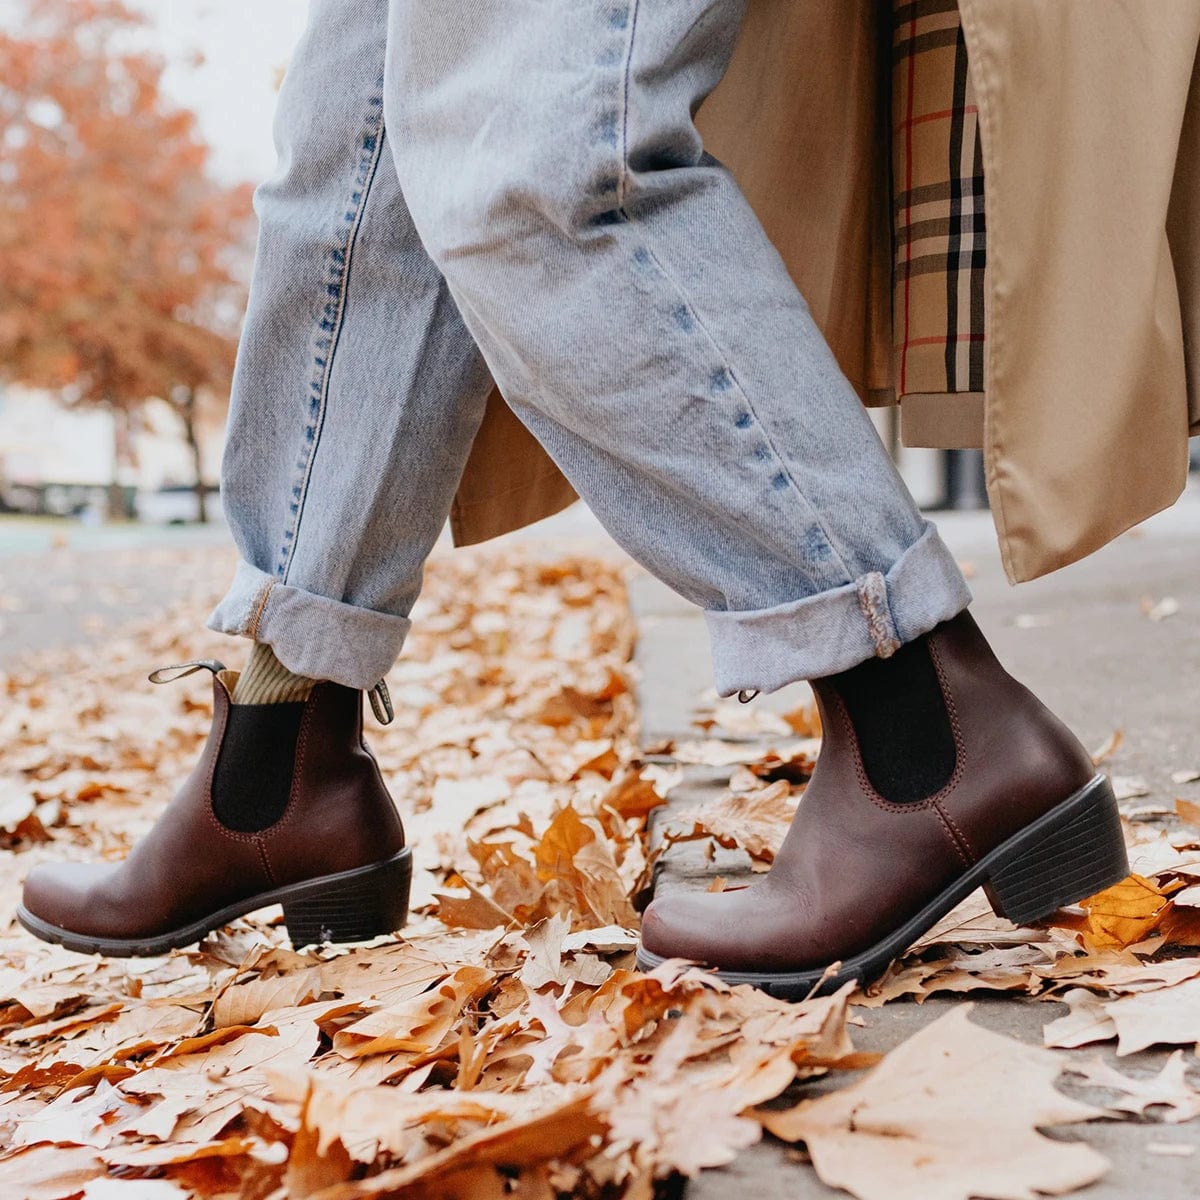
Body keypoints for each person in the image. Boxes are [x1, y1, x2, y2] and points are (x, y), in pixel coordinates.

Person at [16, 0, 1135, 995]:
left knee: (538, 152)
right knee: (349, 194)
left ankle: (924, 726)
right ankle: (277, 766)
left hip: (927, 731)